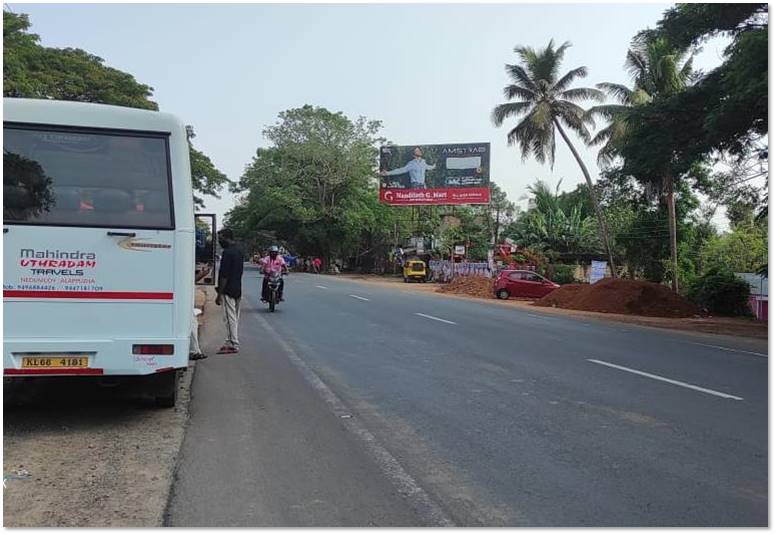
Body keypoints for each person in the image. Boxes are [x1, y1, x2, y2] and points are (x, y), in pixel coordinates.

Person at [214, 228, 243, 355]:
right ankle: (229, 340)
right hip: (237, 288)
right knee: (234, 317)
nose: (219, 241)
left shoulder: (227, 253)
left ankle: (233, 343)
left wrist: (219, 294)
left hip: (228, 289)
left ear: (226, 237)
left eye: (220, 238)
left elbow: (224, 275)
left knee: (229, 317)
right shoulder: (239, 251)